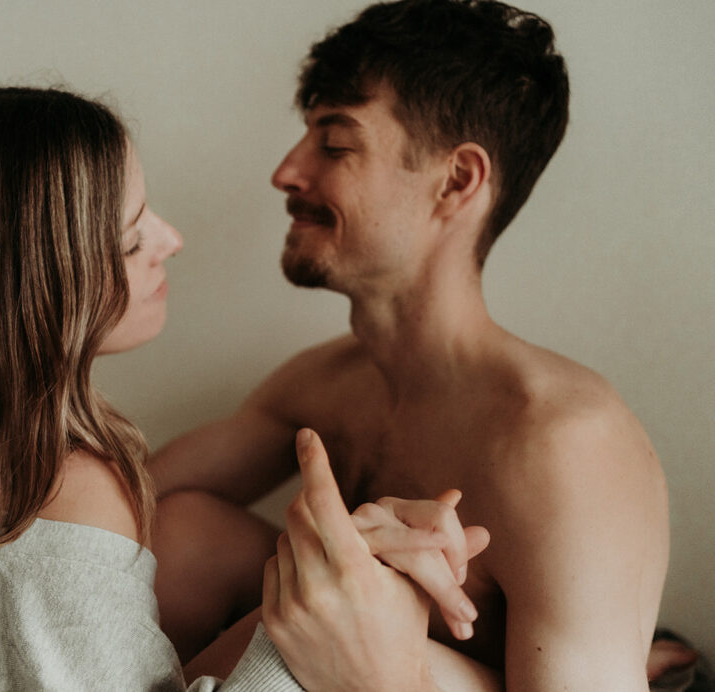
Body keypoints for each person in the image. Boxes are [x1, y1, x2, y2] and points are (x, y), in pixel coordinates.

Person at [0, 84, 481, 691]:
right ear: (34, 290)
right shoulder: (65, 486)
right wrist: (361, 614)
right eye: (131, 238)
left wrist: (358, 555)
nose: (170, 241)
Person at [150, 1, 670, 689]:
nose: (286, 172)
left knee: (341, 611)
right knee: (183, 535)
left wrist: (384, 668)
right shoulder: (324, 386)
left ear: (457, 182)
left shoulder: (561, 442)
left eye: (334, 144)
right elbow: (128, 498)